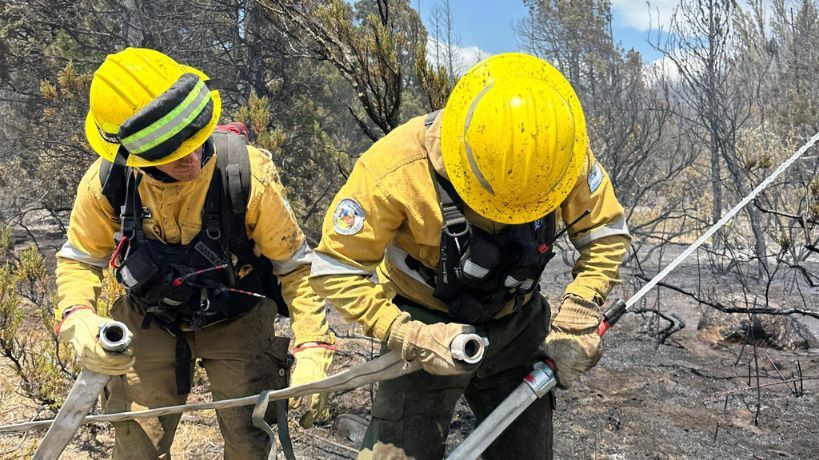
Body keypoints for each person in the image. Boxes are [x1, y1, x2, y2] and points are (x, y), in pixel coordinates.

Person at [309, 53, 631, 459]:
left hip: (518, 326)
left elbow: (605, 234)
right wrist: (408, 335)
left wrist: (581, 308)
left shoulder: (558, 153)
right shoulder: (393, 171)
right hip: (424, 320)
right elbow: (337, 268)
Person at [54, 47, 335, 459]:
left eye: (195, 138)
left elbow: (295, 268)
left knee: (247, 437)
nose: (189, 157)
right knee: (136, 442)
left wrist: (312, 349)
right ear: (132, 155)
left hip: (235, 309)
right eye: (169, 151)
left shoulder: (247, 176)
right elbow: (80, 258)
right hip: (148, 315)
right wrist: (78, 317)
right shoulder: (108, 182)